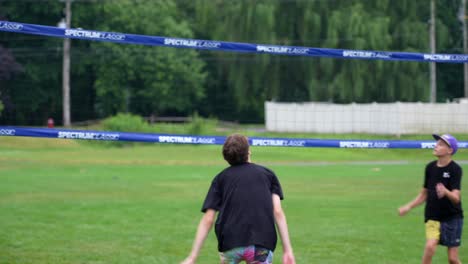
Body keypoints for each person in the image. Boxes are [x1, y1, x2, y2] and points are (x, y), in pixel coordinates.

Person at [181, 134, 295, 264]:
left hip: (230, 244)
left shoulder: (220, 179)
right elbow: (278, 212)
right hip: (260, 244)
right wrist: (287, 250)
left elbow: (208, 218)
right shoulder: (268, 175)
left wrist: (193, 256)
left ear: (226, 157)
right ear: (249, 151)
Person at [398, 134, 463, 264]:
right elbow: (424, 194)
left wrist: (445, 192)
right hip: (432, 216)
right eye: (436, 143)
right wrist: (408, 206)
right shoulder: (430, 168)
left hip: (452, 217)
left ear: (450, 150)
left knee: (453, 259)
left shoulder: (455, 169)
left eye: (440, 144)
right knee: (430, 247)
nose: (436, 146)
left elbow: (456, 198)